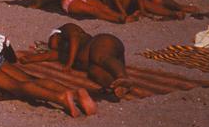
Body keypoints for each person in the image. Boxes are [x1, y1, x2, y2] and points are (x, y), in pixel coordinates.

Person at [17, 23, 146, 99]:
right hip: (96, 60)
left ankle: (122, 76)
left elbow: (74, 38)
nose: (54, 46)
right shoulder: (63, 52)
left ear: (56, 34)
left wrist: (70, 64)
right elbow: (48, 56)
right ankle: (117, 86)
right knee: (94, 72)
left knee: (100, 56)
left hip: (101, 42)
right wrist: (27, 59)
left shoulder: (67, 29)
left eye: (53, 41)